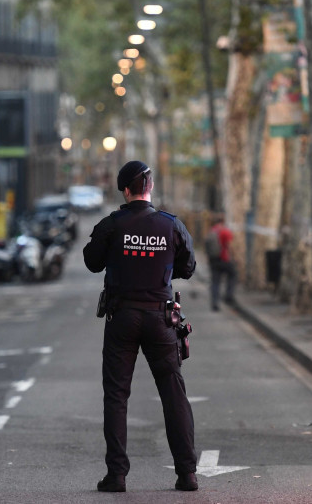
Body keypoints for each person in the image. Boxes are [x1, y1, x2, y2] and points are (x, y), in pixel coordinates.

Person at [83, 160, 199, 493]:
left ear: (125, 189)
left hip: (122, 318)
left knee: (117, 396)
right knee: (173, 392)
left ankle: (116, 475)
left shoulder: (112, 224)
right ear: (149, 187)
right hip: (161, 318)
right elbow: (188, 267)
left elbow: (92, 262)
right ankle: (187, 474)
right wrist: (159, 266)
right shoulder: (171, 224)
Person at [205, 214, 236, 311]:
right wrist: (233, 257)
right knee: (233, 274)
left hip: (214, 260)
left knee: (215, 282)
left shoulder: (211, 231)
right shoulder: (225, 231)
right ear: (223, 221)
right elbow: (229, 246)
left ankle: (215, 303)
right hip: (224, 259)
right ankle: (229, 296)